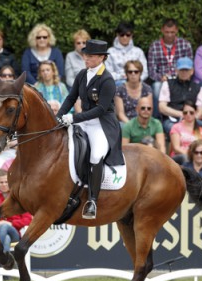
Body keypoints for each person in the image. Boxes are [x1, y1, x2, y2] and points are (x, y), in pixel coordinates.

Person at [56, 39, 124, 219]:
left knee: (95, 155)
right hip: (84, 119)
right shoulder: (81, 74)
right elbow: (71, 98)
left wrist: (74, 117)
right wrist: (59, 116)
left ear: (101, 58)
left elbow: (101, 109)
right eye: (86, 55)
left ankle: (92, 200)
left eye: (90, 56)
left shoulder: (107, 79)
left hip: (102, 123)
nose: (86, 58)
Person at [147, 18, 194, 118]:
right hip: (162, 79)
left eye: (172, 32)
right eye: (167, 32)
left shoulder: (185, 45)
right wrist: (160, 77)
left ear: (177, 30)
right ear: (162, 30)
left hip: (180, 78)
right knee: (156, 87)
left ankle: (183, 115)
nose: (169, 35)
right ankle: (157, 119)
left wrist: (180, 76)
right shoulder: (154, 46)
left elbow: (190, 66)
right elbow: (151, 70)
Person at [158, 57, 202, 133]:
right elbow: (162, 107)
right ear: (176, 71)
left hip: (192, 120)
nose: (184, 72)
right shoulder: (167, 84)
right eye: (181, 70)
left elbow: (201, 112)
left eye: (186, 70)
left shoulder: (198, 88)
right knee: (172, 128)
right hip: (172, 119)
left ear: (192, 71)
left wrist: (190, 118)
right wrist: (181, 115)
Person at [0, 169, 33, 252]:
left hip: (15, 234)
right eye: (1, 182)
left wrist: (11, 223)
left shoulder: (18, 199)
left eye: (6, 182)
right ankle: (6, 263)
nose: (4, 185)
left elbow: (28, 220)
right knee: (6, 239)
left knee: (5, 226)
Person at [106, 21, 148, 86]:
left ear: (131, 36)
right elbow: (108, 73)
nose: (125, 37)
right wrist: (122, 76)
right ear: (117, 35)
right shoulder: (110, 52)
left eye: (128, 35)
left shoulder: (138, 51)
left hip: (137, 82)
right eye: (122, 35)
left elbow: (145, 72)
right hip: (117, 83)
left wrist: (135, 79)